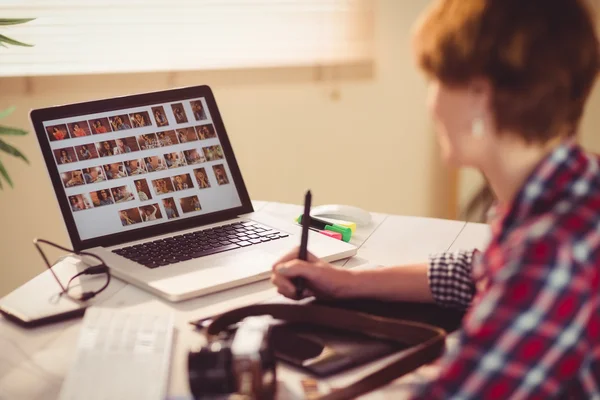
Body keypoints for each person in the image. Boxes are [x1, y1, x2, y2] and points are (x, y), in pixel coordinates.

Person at [270, 1, 600, 398]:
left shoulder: (550, 251)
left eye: (437, 82)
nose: (432, 103)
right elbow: (476, 273)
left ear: (480, 94)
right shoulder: (576, 185)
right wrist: (345, 283)